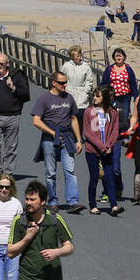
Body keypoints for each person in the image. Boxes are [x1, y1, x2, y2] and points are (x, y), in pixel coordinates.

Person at [29, 71, 84, 213]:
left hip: (67, 137)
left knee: (70, 170)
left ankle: (73, 201)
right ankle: (52, 200)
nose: (65, 85)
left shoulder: (69, 98)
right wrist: (52, 132)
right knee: (50, 172)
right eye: (61, 83)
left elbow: (73, 119)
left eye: (66, 82)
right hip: (49, 139)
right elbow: (36, 121)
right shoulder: (44, 99)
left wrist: (79, 139)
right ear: (53, 83)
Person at [82, 85, 122, 216]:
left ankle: (114, 205)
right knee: (94, 178)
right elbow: (88, 132)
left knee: (109, 177)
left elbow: (115, 131)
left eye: (97, 96)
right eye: (94, 95)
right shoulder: (89, 112)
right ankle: (92, 205)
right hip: (92, 150)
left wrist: (109, 145)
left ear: (104, 98)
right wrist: (102, 146)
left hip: (108, 150)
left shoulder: (113, 113)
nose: (94, 98)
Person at [59, 46, 94, 110]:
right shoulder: (66, 66)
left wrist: (85, 92)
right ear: (72, 57)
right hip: (68, 94)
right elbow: (61, 79)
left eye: (80, 55)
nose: (79, 58)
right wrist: (64, 89)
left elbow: (89, 81)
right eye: (77, 56)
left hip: (82, 98)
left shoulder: (86, 66)